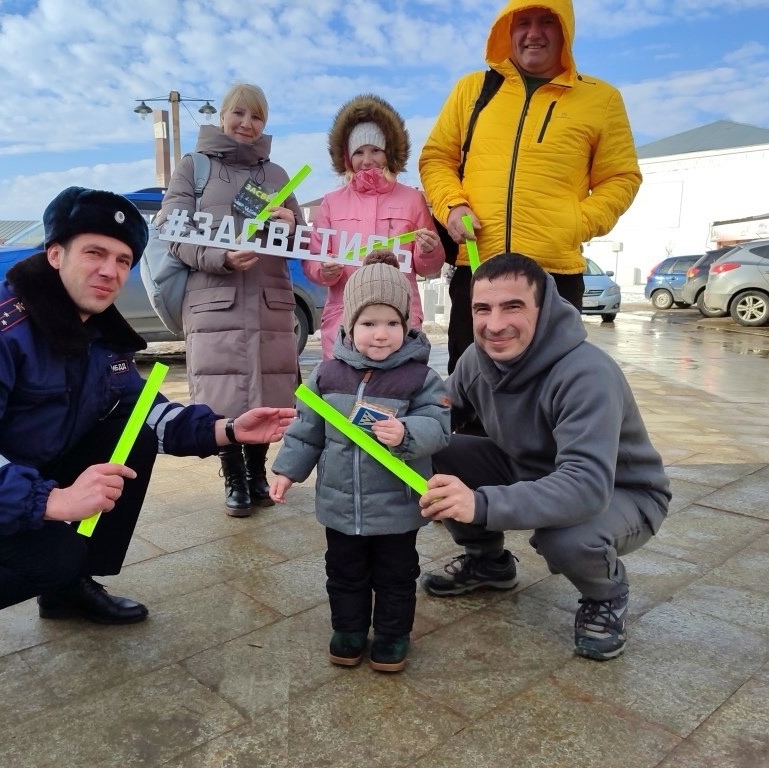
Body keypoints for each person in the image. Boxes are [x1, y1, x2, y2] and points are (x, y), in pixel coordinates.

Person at [0, 186, 296, 651]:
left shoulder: (97, 330)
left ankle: (67, 590)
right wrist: (50, 503)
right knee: (54, 554)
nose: (110, 272)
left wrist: (227, 430)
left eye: (124, 260)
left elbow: (140, 410)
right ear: (55, 254)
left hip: (19, 462)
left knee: (132, 439)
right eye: (95, 253)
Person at [419, 253, 669, 661]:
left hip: (620, 492)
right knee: (432, 453)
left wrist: (481, 504)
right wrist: (388, 425)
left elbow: (586, 486)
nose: (494, 325)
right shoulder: (476, 360)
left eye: (512, 306)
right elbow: (437, 418)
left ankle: (606, 594)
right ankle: (489, 563)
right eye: (483, 309)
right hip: (527, 470)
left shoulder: (586, 373)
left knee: (565, 535)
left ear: (544, 308)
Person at [419, 0, 642, 374]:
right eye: (523, 22)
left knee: (548, 394)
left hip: (553, 276)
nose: (534, 33)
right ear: (507, 28)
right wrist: (453, 206)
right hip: (477, 269)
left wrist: (576, 222)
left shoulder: (601, 99)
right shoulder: (472, 89)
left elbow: (622, 177)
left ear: (565, 31)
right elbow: (436, 158)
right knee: (472, 391)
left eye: (547, 22)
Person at [269, 251, 451, 672]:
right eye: (369, 323)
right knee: (344, 573)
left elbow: (439, 425)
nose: (381, 334)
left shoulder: (419, 378)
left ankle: (392, 635)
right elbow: (306, 428)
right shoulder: (327, 375)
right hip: (340, 505)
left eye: (392, 323)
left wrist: (407, 432)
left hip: (397, 508)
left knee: (396, 576)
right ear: (350, 325)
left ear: (407, 325)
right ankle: (348, 630)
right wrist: (286, 471)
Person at [159, 82, 305, 517]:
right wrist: (220, 257)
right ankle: (233, 476)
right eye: (239, 114)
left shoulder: (277, 175)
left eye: (256, 117)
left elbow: (303, 241)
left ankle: (258, 471)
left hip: (269, 301)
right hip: (214, 300)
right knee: (220, 395)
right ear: (223, 115)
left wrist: (293, 222)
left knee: (269, 390)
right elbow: (172, 231)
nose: (247, 124)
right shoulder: (194, 167)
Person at [305, 94, 444, 360]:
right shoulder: (331, 203)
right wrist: (325, 272)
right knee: (340, 398)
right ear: (347, 157)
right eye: (358, 152)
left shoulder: (412, 199)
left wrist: (428, 251)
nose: (367, 160)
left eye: (375, 150)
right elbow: (313, 261)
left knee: (398, 395)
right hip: (344, 324)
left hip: (399, 321)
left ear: (388, 152)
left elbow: (429, 267)